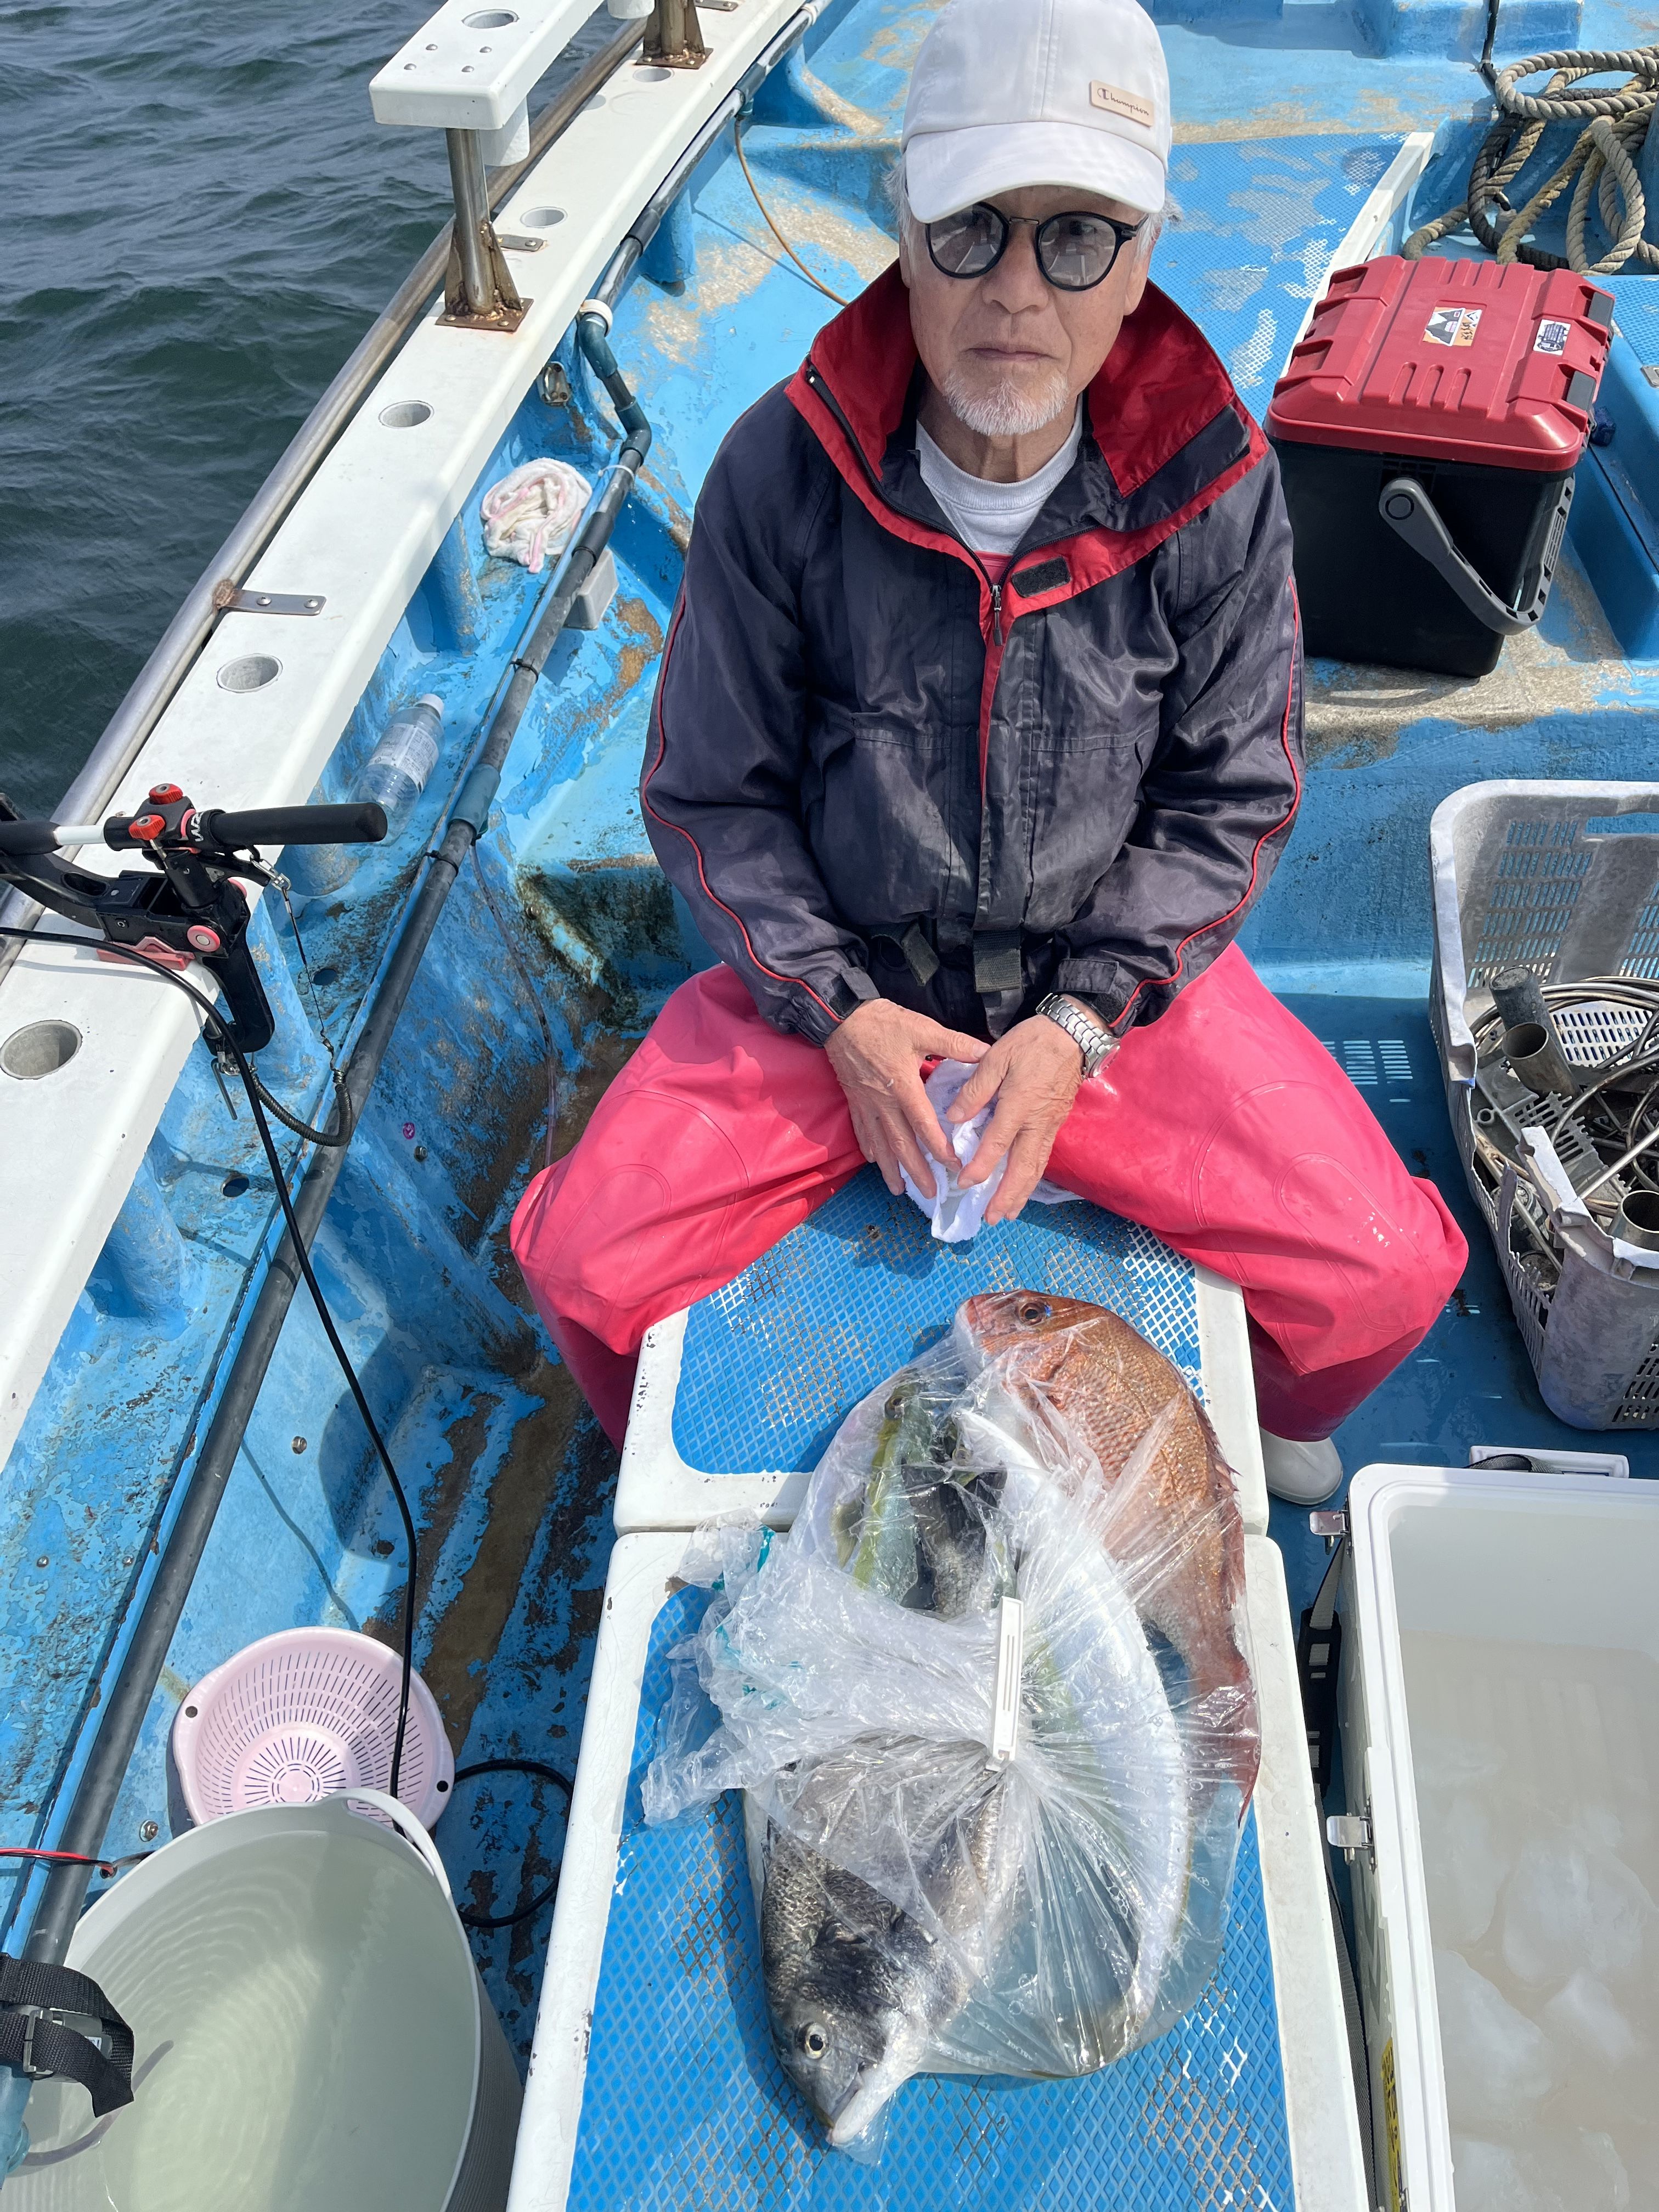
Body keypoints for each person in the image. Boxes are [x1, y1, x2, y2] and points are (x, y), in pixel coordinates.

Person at [510, 0, 1466, 1504]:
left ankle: (1249, 1417)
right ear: (905, 229)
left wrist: (1079, 1025)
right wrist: (839, 1015)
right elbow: (710, 796)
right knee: (582, 1266)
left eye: (1077, 237)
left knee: (1387, 1279)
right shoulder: (778, 471)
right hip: (837, 996)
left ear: (1141, 259)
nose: (1018, 290)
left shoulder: (1219, 488)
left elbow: (1230, 799)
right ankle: (679, 1476)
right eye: (972, 230)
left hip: (1102, 1006)